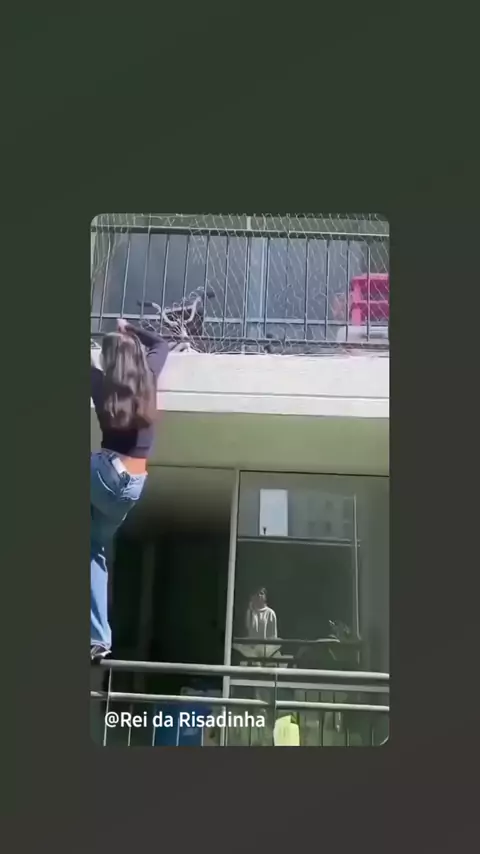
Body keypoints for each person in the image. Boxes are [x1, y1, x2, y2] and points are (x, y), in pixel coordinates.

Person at [90, 318, 168, 662]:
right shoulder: (149, 376)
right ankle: (99, 638)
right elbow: (161, 344)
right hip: (132, 487)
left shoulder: (101, 385)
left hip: (105, 473)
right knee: (93, 549)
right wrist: (131, 328)